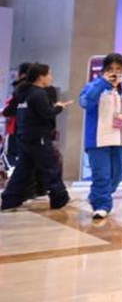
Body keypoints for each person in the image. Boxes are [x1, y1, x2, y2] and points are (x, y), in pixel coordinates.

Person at [78, 53, 122, 220]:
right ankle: (102, 205)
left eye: (119, 69)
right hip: (99, 139)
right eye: (110, 69)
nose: (115, 72)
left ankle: (97, 196)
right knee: (102, 175)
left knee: (118, 174)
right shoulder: (94, 86)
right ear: (104, 70)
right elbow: (85, 103)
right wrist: (102, 83)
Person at [0, 63, 71, 212]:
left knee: (23, 169)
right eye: (49, 74)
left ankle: (9, 199)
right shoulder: (39, 93)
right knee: (50, 167)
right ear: (41, 77)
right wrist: (59, 107)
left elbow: (9, 110)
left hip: (24, 136)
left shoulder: (22, 93)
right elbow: (46, 113)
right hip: (39, 137)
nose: (51, 77)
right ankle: (59, 198)